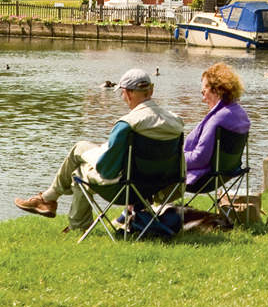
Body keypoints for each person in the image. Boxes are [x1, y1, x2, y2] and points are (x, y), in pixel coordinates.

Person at [14, 68, 184, 234]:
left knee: (79, 166)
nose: (123, 98)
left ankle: (61, 211)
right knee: (82, 150)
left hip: (125, 188)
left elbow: (106, 169)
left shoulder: (128, 123)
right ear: (151, 89)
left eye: (122, 93)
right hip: (159, 185)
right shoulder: (176, 122)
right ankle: (48, 199)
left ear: (129, 93)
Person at [185, 62, 251, 189]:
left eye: (203, 92)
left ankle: (143, 206)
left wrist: (175, 160)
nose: (203, 99)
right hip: (228, 174)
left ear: (216, 90)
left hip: (204, 179)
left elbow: (200, 158)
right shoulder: (241, 115)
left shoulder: (217, 119)